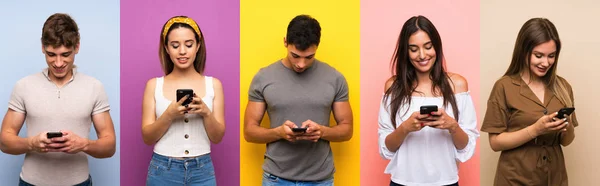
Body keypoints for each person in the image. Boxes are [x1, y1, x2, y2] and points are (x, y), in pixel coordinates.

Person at [0, 13, 116, 186]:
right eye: (51, 54)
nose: (59, 63)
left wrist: (83, 144)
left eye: (65, 54)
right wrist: (32, 143)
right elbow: (4, 142)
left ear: (77, 47)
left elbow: (109, 146)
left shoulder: (94, 87)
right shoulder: (24, 86)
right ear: (42, 47)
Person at [243, 14, 353, 186]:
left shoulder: (335, 78)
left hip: (320, 180)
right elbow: (249, 132)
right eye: (295, 55)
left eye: (309, 57)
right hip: (276, 179)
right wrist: (278, 133)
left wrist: (322, 131)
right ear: (285, 42)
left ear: (317, 47)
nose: (301, 64)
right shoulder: (263, 77)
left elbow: (347, 130)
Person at [377, 15, 479, 186]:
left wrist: (452, 125)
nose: (422, 55)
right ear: (406, 52)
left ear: (436, 47)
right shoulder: (393, 87)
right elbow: (386, 148)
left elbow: (466, 147)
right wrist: (405, 128)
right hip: (402, 182)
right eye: (414, 49)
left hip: (446, 181)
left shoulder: (458, 85)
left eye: (428, 46)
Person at [481, 17, 577, 186]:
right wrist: (535, 130)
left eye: (551, 56)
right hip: (514, 179)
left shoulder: (563, 87)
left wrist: (566, 125)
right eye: (538, 55)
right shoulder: (504, 86)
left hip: (555, 178)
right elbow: (495, 143)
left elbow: (566, 141)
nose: (545, 63)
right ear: (523, 51)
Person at [141, 15, 226, 186]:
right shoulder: (154, 85)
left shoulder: (213, 85)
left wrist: (206, 113)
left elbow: (217, 137)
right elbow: (147, 137)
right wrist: (169, 115)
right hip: (163, 169)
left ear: (198, 46)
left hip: (202, 170)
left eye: (189, 44)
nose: (182, 51)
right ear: (166, 48)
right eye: (174, 45)